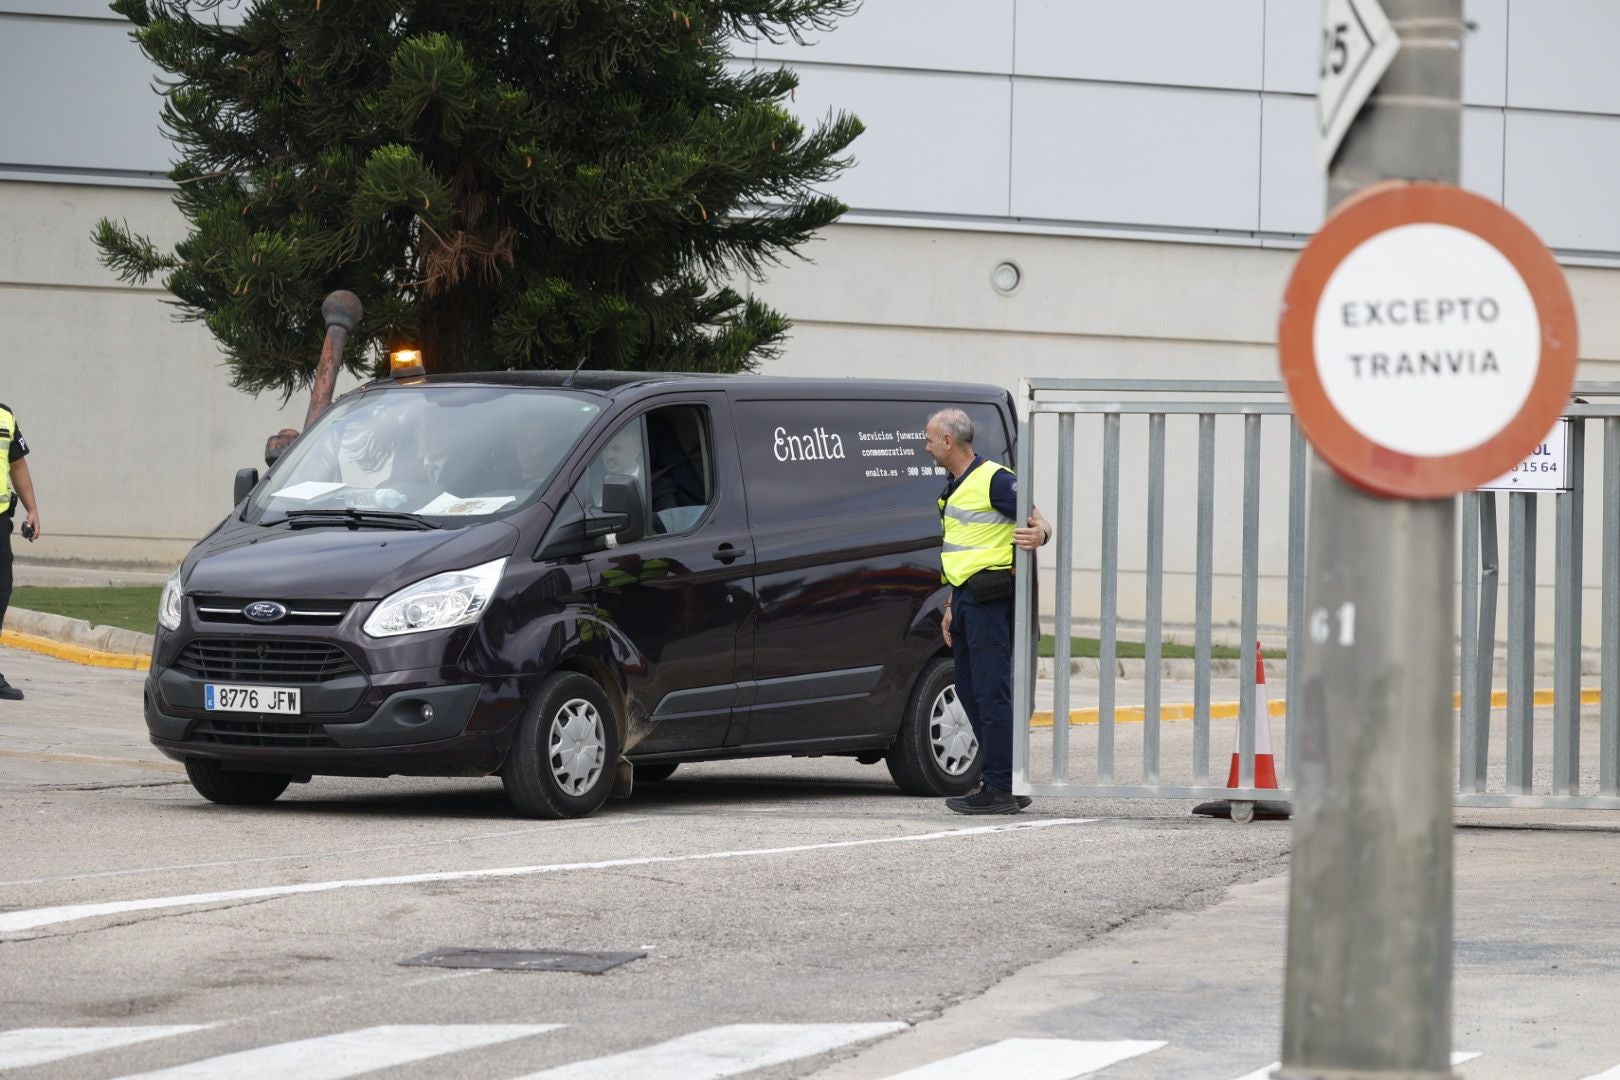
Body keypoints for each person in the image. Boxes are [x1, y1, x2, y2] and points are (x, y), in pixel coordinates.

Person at [925, 407, 1051, 814]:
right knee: (967, 689)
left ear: (948, 441)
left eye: (929, 439)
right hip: (963, 599)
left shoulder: (994, 479)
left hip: (989, 601)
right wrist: (949, 604)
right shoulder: (956, 483)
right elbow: (960, 549)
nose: (925, 445)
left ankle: (998, 787)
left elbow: (1037, 518)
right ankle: (1009, 780)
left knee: (990, 692)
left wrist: (1042, 533)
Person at [0, 401, 41, 701]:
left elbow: (17, 464)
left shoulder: (5, 415)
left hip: (0, 522)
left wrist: (32, 509)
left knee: (1, 592)